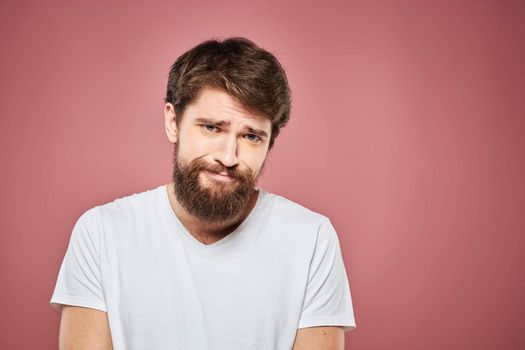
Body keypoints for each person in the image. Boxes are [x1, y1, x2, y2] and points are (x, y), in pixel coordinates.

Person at [50, 37, 356, 350]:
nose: (228, 156)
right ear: (173, 122)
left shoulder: (311, 238)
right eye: (211, 127)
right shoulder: (102, 233)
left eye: (251, 136)